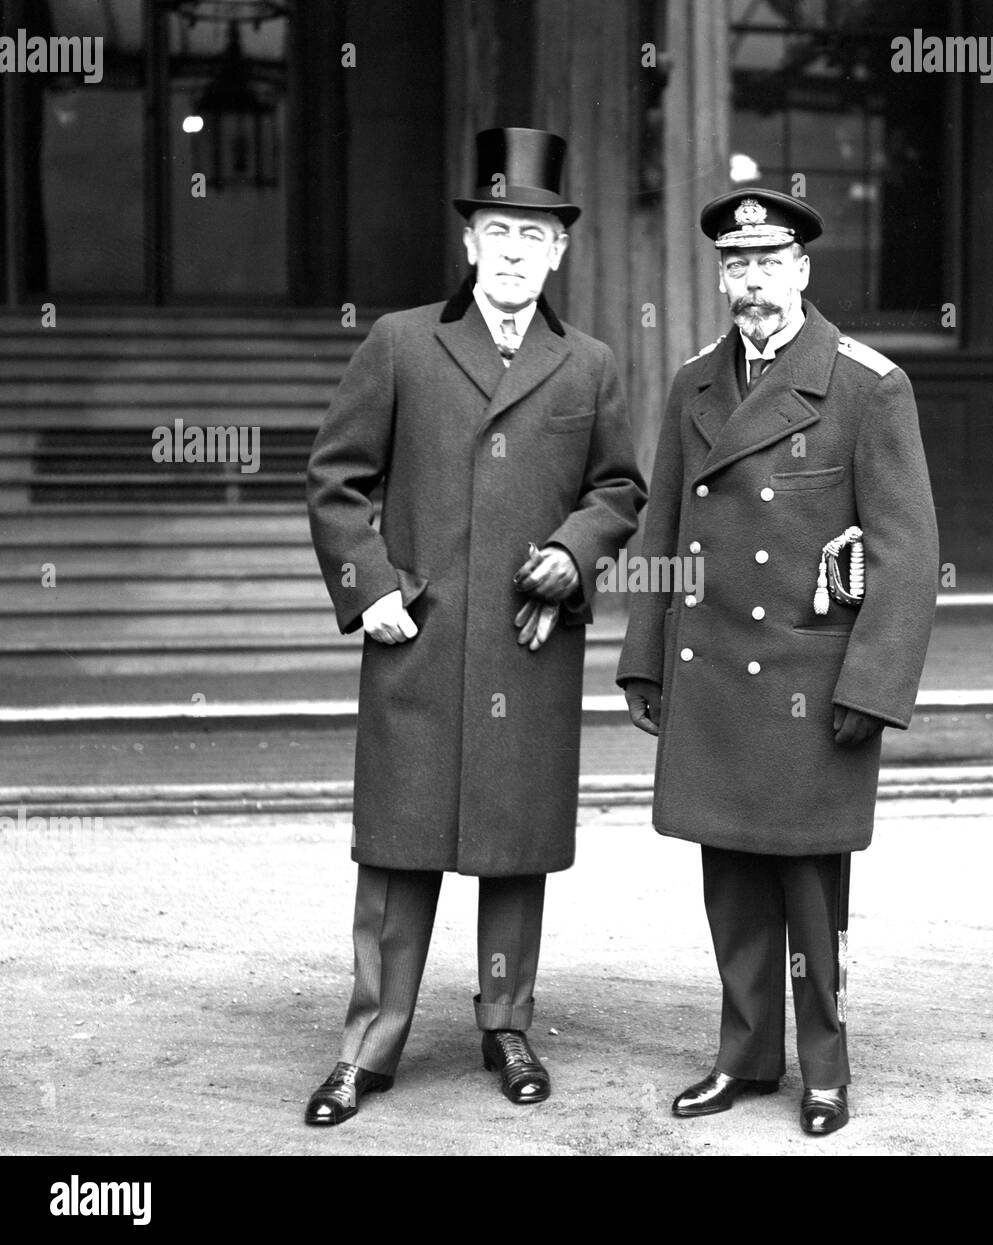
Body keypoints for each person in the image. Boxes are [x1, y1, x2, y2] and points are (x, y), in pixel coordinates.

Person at [304, 127, 645, 1125]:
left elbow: (620, 485)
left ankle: (507, 1025)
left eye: (532, 235)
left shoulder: (587, 366)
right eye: (497, 230)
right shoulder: (402, 344)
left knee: (512, 850)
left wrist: (575, 551)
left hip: (526, 645)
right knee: (398, 853)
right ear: (468, 245)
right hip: (418, 638)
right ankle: (368, 1046)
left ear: (558, 253)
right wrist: (370, 588)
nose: (512, 250)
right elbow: (336, 478)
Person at [617, 187, 939, 1136]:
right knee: (730, 880)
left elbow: (907, 553)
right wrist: (645, 660)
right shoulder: (695, 384)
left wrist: (874, 685)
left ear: (802, 270)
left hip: (810, 680)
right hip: (714, 670)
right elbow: (666, 523)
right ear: (723, 276)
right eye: (736, 266)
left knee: (811, 890)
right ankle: (745, 1057)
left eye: (769, 264)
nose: (752, 283)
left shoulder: (866, 383)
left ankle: (827, 1071)